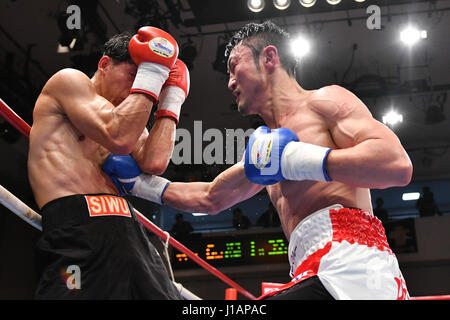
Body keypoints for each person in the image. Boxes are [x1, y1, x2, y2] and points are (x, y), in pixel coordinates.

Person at [103, 21, 413, 300]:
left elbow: (396, 165)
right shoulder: (264, 150)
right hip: (313, 271)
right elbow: (211, 198)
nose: (229, 82)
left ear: (269, 58)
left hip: (355, 268)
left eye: (234, 66)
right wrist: (139, 184)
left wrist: (298, 159)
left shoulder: (324, 102)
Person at [28, 27, 190, 299]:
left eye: (143, 80)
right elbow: (117, 135)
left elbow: (155, 161)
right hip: (75, 233)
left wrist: (171, 99)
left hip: (129, 233)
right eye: (132, 76)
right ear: (104, 64)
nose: (136, 88)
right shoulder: (69, 82)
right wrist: (152, 73)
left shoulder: (128, 120)